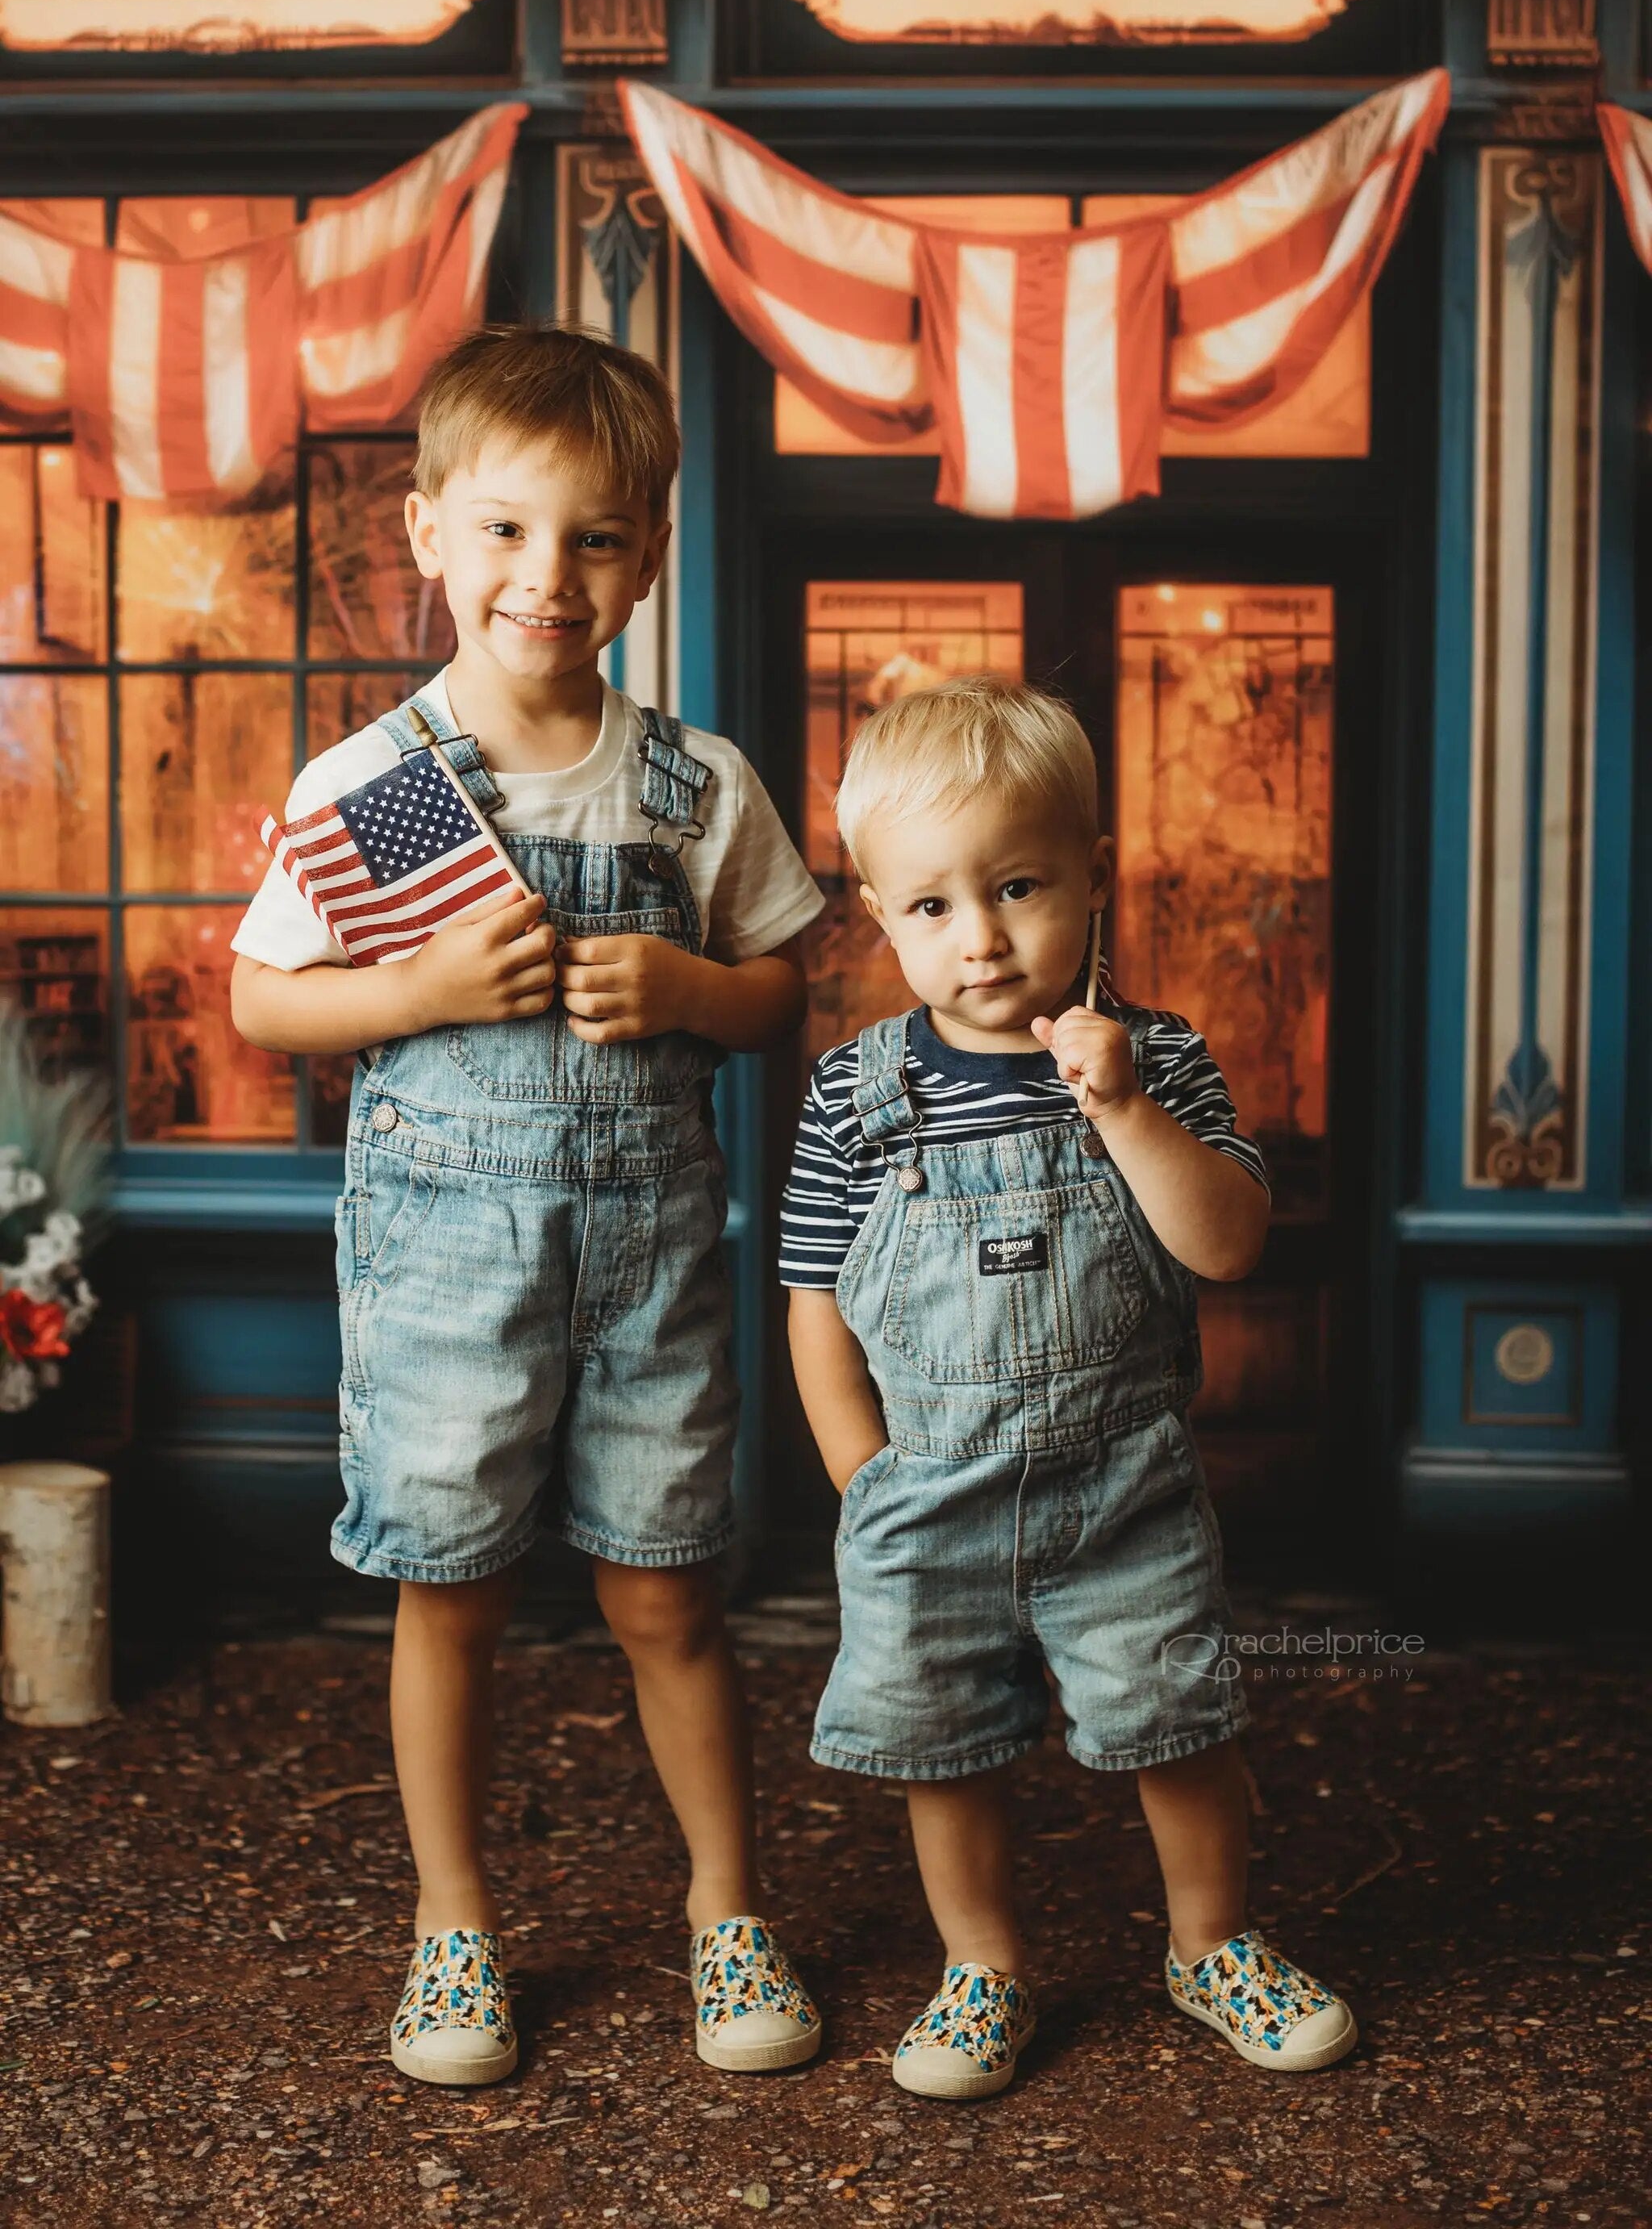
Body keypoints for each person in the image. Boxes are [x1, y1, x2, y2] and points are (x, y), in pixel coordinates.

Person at [232, 324, 824, 2088]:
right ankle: (454, 1926)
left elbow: (786, 988)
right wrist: (411, 992)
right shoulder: (377, 785)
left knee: (666, 1597)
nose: (543, 578)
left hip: (650, 1265)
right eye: (502, 532)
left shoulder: (694, 783)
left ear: (646, 553)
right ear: (425, 534)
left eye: (590, 540)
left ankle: (726, 1906)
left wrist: (687, 993)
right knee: (453, 1590)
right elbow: (270, 1002)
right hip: (445, 1270)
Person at [780, 677, 1357, 2101]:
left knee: (1180, 1719)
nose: (979, 939)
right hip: (928, 1489)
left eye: (1020, 887)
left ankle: (1213, 1941)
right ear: (876, 912)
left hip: (1125, 1484)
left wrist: (1126, 1109)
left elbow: (1225, 1247)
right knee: (944, 1745)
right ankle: (981, 1967)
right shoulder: (853, 1100)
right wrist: (864, 1476)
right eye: (931, 907)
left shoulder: (1160, 1058)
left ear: (1095, 874)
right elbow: (811, 1304)